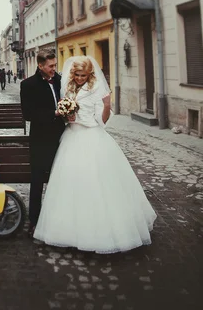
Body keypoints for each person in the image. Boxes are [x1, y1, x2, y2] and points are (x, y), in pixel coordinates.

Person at [34, 56, 157, 253]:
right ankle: (69, 231)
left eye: (84, 75)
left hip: (92, 136)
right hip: (71, 137)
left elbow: (102, 121)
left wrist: (107, 106)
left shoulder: (97, 89)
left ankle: (101, 231)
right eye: (77, 75)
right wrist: (68, 116)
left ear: (90, 74)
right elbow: (64, 115)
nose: (80, 78)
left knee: (96, 181)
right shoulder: (69, 88)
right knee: (71, 183)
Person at [20, 49, 64, 237]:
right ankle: (35, 220)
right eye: (51, 66)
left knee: (61, 179)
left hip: (62, 138)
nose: (54, 69)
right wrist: (53, 114)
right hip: (40, 139)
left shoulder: (60, 80)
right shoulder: (28, 85)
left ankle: (59, 218)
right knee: (37, 180)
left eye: (55, 65)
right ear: (40, 66)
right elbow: (28, 114)